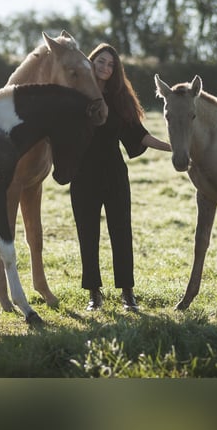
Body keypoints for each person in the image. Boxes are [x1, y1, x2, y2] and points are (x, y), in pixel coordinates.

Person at [70, 43, 171, 312]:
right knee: (87, 234)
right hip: (82, 175)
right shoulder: (76, 95)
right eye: (100, 62)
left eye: (110, 64)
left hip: (113, 172)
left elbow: (139, 135)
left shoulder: (119, 99)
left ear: (115, 70)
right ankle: (94, 294)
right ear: (91, 63)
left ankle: (128, 293)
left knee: (121, 232)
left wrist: (172, 147)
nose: (105, 67)